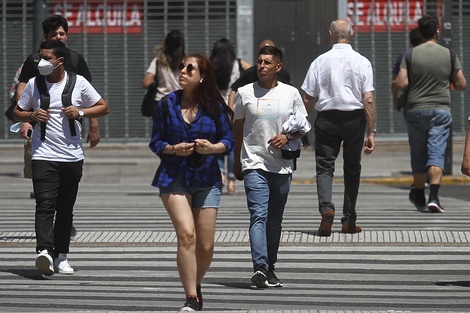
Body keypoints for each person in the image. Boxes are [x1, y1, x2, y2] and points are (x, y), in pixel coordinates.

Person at [13, 40, 109, 276]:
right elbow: (17, 110)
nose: (41, 62)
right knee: (45, 205)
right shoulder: (35, 84)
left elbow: (103, 107)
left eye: (47, 58)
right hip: (43, 154)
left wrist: (81, 112)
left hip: (72, 156)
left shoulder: (78, 83)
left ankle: (61, 256)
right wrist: (32, 114)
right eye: (40, 57)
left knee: (65, 209)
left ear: (60, 61)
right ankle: (44, 251)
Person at [149, 53, 234, 311]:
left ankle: (194, 284)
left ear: (202, 76)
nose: (183, 71)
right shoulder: (166, 104)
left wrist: (212, 148)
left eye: (190, 68)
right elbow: (156, 142)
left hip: (207, 178)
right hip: (173, 175)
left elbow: (228, 142)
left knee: (206, 245)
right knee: (187, 234)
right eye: (181, 67)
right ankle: (191, 298)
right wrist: (173, 149)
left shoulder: (215, 107)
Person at [233, 46, 308, 288]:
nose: (261, 66)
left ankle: (270, 267)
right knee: (259, 215)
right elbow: (237, 130)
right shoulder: (244, 93)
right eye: (259, 61)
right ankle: (260, 267)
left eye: (267, 62)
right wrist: (236, 160)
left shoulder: (291, 93)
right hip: (253, 162)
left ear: (278, 67)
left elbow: (304, 126)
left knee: (274, 220)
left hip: (282, 166)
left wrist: (287, 137)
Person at [16, 15, 98, 236]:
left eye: (62, 33)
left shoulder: (75, 59)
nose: (59, 37)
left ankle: (62, 222)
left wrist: (93, 125)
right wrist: (26, 119)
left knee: (66, 185)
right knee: (43, 181)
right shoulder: (36, 61)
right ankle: (47, 223)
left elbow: (92, 98)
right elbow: (22, 90)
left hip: (69, 133)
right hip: (40, 131)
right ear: (45, 36)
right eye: (54, 34)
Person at [301, 19, 376, 237]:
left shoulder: (319, 62)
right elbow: (368, 99)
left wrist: (300, 125)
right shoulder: (362, 62)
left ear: (330, 35)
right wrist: (371, 131)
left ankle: (327, 209)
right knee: (352, 169)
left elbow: (308, 99)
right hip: (354, 119)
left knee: (324, 167)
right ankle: (349, 221)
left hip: (326, 118)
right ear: (351, 34)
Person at [396, 14, 466, 213]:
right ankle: (433, 196)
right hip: (441, 110)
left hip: (416, 109)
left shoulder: (410, 54)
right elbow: (462, 84)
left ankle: (418, 191)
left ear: (420, 31)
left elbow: (401, 83)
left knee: (418, 153)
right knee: (436, 152)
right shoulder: (449, 54)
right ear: (437, 31)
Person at [209, 38, 250, 195]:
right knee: (232, 143)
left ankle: (220, 173)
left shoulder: (210, 65)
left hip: (214, 107)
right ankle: (232, 180)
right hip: (232, 108)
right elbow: (249, 74)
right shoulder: (237, 64)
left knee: (216, 142)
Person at [227, 39, 291, 111]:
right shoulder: (250, 74)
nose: (262, 66)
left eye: (267, 62)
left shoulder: (285, 77)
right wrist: (231, 112)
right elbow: (234, 89)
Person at [142, 30, 185, 102]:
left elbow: (146, 83)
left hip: (161, 101)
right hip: (179, 101)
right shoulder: (185, 62)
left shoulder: (158, 61)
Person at [391, 27, 423, 112]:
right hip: (434, 103)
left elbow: (394, 82)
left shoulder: (405, 55)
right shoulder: (434, 54)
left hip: (411, 103)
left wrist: (395, 100)